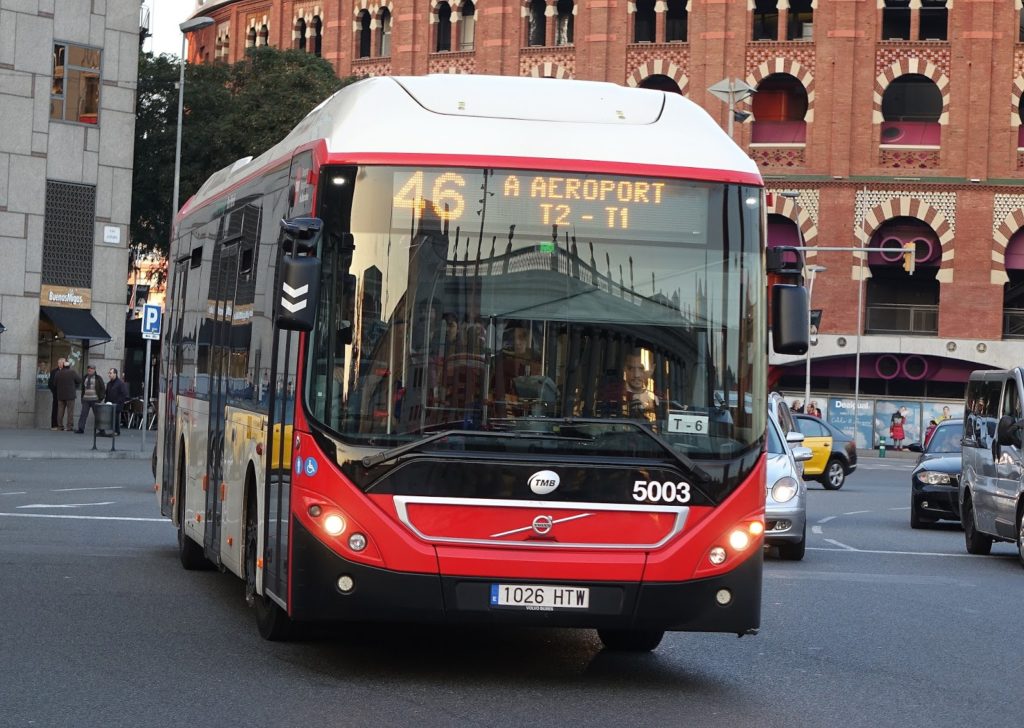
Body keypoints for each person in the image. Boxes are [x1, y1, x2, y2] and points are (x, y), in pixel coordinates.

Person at [624, 350, 659, 416]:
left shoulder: (659, 394)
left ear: (652, 369)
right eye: (630, 368)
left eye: (641, 368)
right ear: (624, 368)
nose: (636, 375)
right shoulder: (612, 392)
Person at [75, 364, 106, 433]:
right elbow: (83, 389)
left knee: (98, 415)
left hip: (95, 399)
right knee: (83, 414)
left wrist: (100, 398)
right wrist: (82, 398)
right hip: (86, 399)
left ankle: (102, 429)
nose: (90, 369)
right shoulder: (85, 377)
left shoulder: (98, 378)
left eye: (91, 368)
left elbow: (103, 389)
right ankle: (81, 429)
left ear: (94, 370)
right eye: (88, 368)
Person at [53, 360, 81, 431]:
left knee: (60, 411)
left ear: (63, 366)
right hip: (70, 396)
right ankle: (69, 426)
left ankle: (60, 426)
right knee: (70, 412)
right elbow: (79, 380)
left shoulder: (58, 373)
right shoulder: (72, 372)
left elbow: (54, 384)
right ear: (69, 366)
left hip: (60, 395)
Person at [105, 367, 128, 435]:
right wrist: (106, 401)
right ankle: (115, 430)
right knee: (113, 417)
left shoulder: (120, 383)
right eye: (109, 373)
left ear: (115, 374)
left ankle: (117, 431)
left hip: (117, 404)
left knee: (116, 417)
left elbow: (124, 393)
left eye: (111, 373)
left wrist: (118, 402)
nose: (109, 374)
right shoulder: (109, 383)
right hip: (110, 403)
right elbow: (107, 393)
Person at [47, 358, 63, 430]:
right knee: (55, 409)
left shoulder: (68, 371)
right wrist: (54, 391)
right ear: (58, 363)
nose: (62, 364)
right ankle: (54, 425)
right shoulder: (54, 372)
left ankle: (61, 425)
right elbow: (50, 383)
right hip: (56, 393)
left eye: (63, 363)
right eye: (60, 363)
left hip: (65, 393)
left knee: (63, 410)